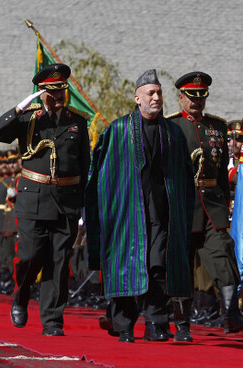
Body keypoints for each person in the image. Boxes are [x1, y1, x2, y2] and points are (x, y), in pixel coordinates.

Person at [86, 69, 195, 343]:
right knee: (126, 265)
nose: (157, 97)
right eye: (151, 93)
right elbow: (102, 173)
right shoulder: (119, 130)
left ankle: (157, 323)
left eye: (159, 92)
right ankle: (123, 324)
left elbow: (183, 175)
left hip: (161, 211)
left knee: (158, 267)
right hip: (126, 213)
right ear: (138, 98)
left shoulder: (173, 133)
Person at [0, 63, 91, 336]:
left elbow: (85, 165)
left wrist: (83, 204)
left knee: (59, 263)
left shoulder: (77, 121)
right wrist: (19, 109)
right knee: (30, 255)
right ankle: (20, 297)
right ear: (41, 92)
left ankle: (52, 321)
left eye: (62, 92)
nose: (59, 97)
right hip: (33, 199)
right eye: (52, 92)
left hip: (66, 201)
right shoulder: (29, 118)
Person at [167, 71, 243, 333]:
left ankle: (231, 313)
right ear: (181, 96)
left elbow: (222, 168)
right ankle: (181, 323)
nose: (196, 101)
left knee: (223, 254)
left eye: (201, 96)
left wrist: (225, 201)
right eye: (191, 97)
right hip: (181, 206)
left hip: (212, 206)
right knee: (181, 264)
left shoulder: (218, 126)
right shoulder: (170, 126)